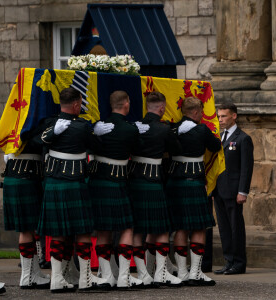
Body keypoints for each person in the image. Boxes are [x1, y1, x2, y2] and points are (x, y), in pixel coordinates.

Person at [38, 87, 110, 293]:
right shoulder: (82, 126)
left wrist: (53, 132)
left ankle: (57, 278)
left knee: (59, 232)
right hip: (75, 182)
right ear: (77, 104)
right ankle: (86, 279)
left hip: (53, 182)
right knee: (83, 231)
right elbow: (97, 146)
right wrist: (94, 132)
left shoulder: (50, 123)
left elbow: (39, 141)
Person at [88, 90, 144, 289]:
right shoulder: (130, 129)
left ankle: (107, 276)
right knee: (127, 227)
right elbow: (139, 150)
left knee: (103, 229)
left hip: (98, 180)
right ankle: (123, 276)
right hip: (119, 181)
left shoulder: (99, 127)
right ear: (126, 104)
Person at [128, 91, 183, 287]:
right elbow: (176, 150)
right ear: (161, 109)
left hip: (134, 179)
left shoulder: (134, 126)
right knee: (161, 228)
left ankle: (143, 273)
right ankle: (160, 273)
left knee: (137, 229)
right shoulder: (163, 129)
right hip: (153, 180)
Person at [166, 97, 221, 286]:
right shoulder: (201, 129)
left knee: (181, 227)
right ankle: (195, 272)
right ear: (197, 112)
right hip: (194, 181)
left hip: (174, 181)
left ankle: (181, 272)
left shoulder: (172, 129)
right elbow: (216, 146)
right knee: (198, 227)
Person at [2, 121, 51, 289]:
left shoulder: (14, 124)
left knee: (28, 229)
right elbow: (38, 142)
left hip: (16, 174)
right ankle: (28, 277)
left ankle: (33, 272)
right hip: (25, 176)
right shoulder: (29, 128)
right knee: (27, 228)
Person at [213, 103, 254, 275]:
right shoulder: (221, 136)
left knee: (236, 227)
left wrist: (242, 191)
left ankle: (238, 262)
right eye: (219, 116)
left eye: (224, 116)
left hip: (234, 190)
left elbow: (246, 167)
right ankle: (229, 261)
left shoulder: (243, 138)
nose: (220, 119)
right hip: (220, 189)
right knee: (224, 227)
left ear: (234, 116)